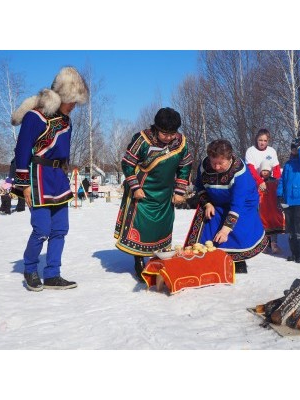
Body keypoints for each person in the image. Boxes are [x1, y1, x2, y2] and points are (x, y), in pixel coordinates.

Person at [11, 66, 89, 291]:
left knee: (60, 230)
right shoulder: (35, 117)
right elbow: (22, 150)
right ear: (62, 96)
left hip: (58, 178)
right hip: (38, 177)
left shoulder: (67, 121)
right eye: (71, 100)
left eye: (77, 101)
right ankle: (30, 268)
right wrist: (24, 184)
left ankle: (53, 273)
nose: (74, 106)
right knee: (42, 229)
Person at [114, 107, 193, 281]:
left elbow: (185, 165)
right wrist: (135, 187)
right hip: (143, 190)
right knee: (143, 226)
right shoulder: (142, 139)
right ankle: (139, 261)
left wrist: (180, 190)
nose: (169, 137)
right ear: (156, 128)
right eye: (165, 133)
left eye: (172, 133)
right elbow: (127, 163)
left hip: (165, 192)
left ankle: (158, 260)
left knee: (163, 226)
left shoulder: (181, 142)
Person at [185, 139, 268, 274]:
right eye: (213, 162)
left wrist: (225, 230)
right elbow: (199, 187)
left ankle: (238, 260)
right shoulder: (204, 166)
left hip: (243, 202)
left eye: (220, 163)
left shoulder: (240, 172)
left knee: (237, 230)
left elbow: (237, 204)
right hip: (215, 200)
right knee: (208, 225)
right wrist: (207, 203)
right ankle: (209, 259)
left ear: (229, 159)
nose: (216, 167)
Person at [277, 136, 300, 263]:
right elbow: (282, 180)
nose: (295, 150)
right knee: (291, 228)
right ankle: (295, 253)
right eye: (293, 148)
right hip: (289, 200)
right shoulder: (288, 164)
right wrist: (279, 194)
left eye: (297, 148)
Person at [258, 160, 285, 254]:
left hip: (273, 207)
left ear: (270, 171)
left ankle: (274, 244)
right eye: (263, 170)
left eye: (267, 170)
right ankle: (264, 245)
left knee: (273, 226)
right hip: (263, 208)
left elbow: (278, 192)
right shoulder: (258, 182)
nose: (265, 172)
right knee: (264, 227)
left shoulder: (275, 181)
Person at [245, 128, 281, 193]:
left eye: (265, 141)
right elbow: (251, 169)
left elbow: (276, 170)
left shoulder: (271, 151)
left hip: (269, 183)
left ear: (268, 141)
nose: (262, 143)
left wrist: (277, 185)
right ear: (257, 140)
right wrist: (260, 182)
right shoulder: (250, 151)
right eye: (260, 140)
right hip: (255, 183)